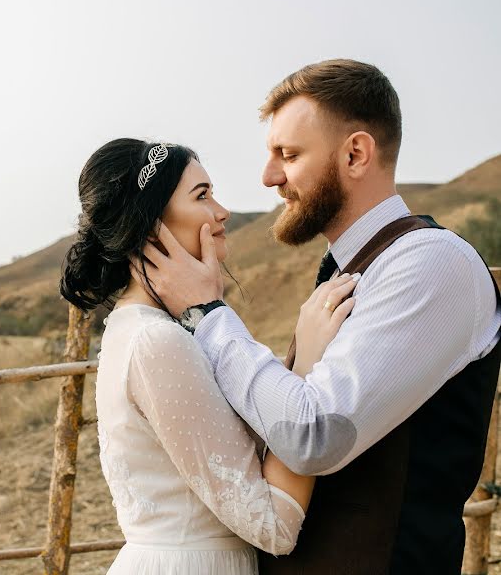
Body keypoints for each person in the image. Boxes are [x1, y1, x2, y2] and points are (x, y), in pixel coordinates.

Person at [132, 59, 501, 574]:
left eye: (289, 154)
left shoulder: (431, 263)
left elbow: (314, 436)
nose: (269, 177)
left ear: (355, 153)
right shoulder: (347, 271)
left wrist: (208, 314)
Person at [60, 138, 358, 574]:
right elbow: (273, 525)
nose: (222, 212)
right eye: (202, 196)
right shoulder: (156, 342)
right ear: (150, 225)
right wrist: (309, 364)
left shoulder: (147, 328)